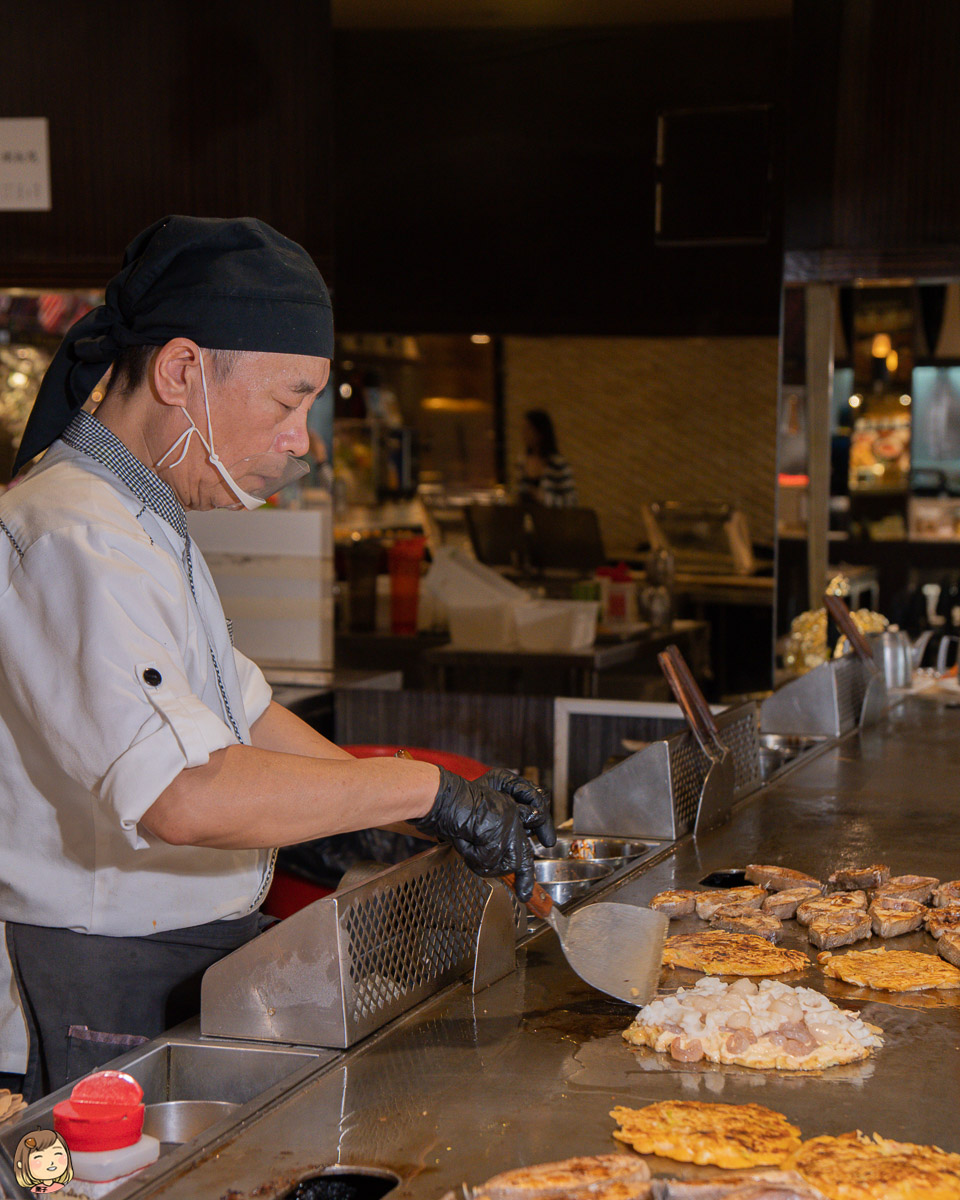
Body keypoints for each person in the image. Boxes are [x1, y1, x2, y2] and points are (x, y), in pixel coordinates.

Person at [0, 215, 554, 1102]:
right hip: (86, 993)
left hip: (173, 966)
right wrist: (422, 789)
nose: (303, 439)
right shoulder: (71, 532)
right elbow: (181, 796)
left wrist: (428, 819)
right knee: (61, 1187)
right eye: (287, 401)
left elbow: (247, 717)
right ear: (182, 370)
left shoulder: (145, 521)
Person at [515, 409, 578, 507]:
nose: (524, 434)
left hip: (553, 520)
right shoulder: (522, 461)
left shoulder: (558, 463)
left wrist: (544, 498)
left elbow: (571, 501)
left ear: (540, 432)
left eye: (528, 429)